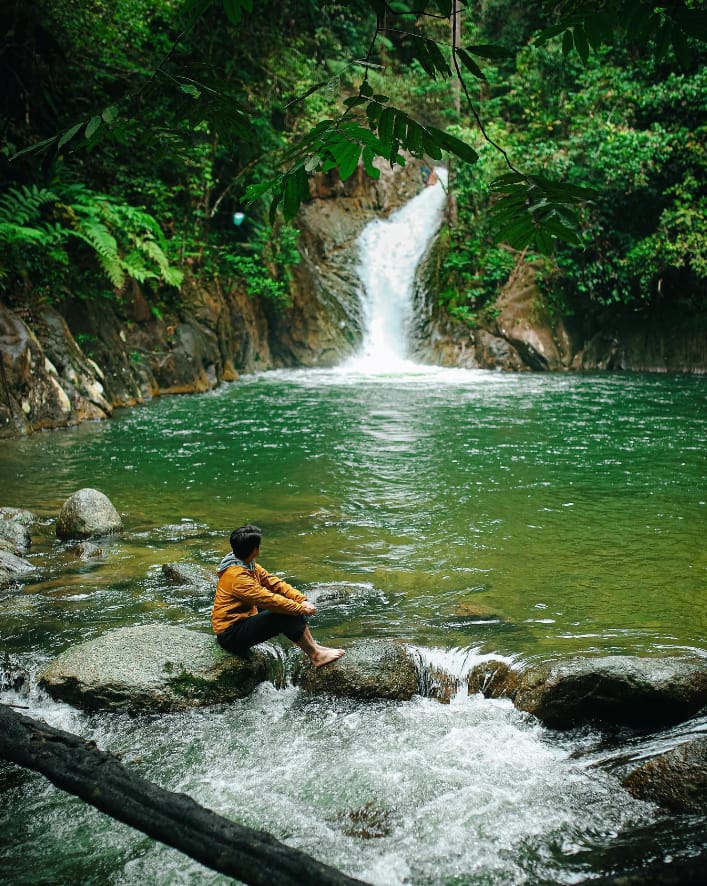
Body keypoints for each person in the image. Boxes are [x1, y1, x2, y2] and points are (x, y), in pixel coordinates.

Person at [212, 524, 345, 668]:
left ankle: (314, 647)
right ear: (255, 550)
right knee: (284, 612)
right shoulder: (237, 577)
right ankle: (316, 655)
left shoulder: (246, 564)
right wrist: (300, 608)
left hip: (244, 617)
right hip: (231, 635)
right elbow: (269, 600)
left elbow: (274, 583)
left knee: (289, 606)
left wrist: (301, 599)